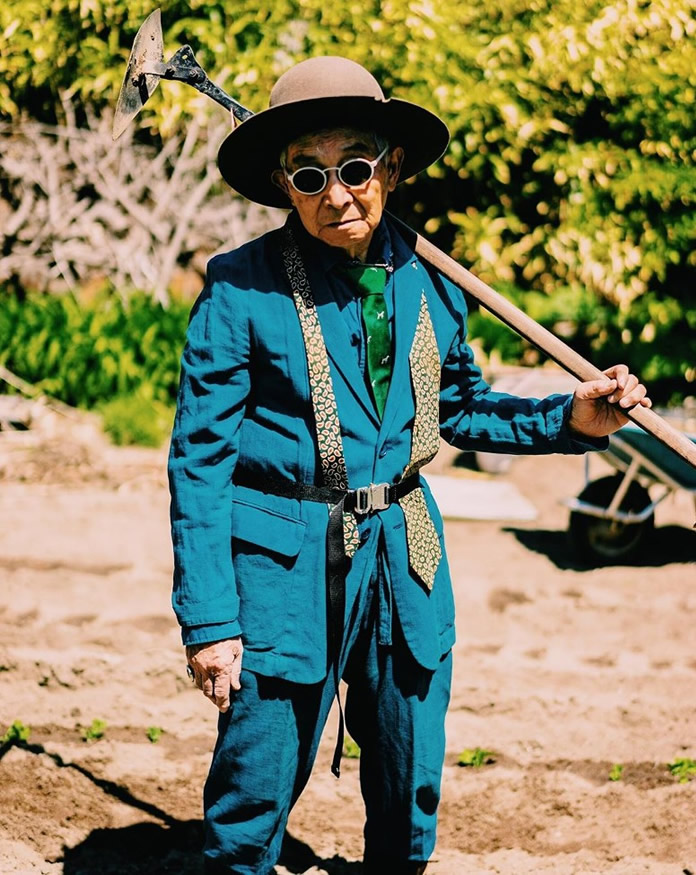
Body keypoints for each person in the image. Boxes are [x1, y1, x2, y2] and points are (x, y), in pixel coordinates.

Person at [168, 56, 650, 875]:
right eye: (310, 174)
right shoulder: (239, 289)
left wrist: (572, 417)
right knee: (254, 786)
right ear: (285, 182)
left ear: (390, 168)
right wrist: (211, 622)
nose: (336, 193)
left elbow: (457, 410)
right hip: (285, 566)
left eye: (355, 168)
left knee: (409, 775)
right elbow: (198, 464)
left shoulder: (432, 282)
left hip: (405, 555)